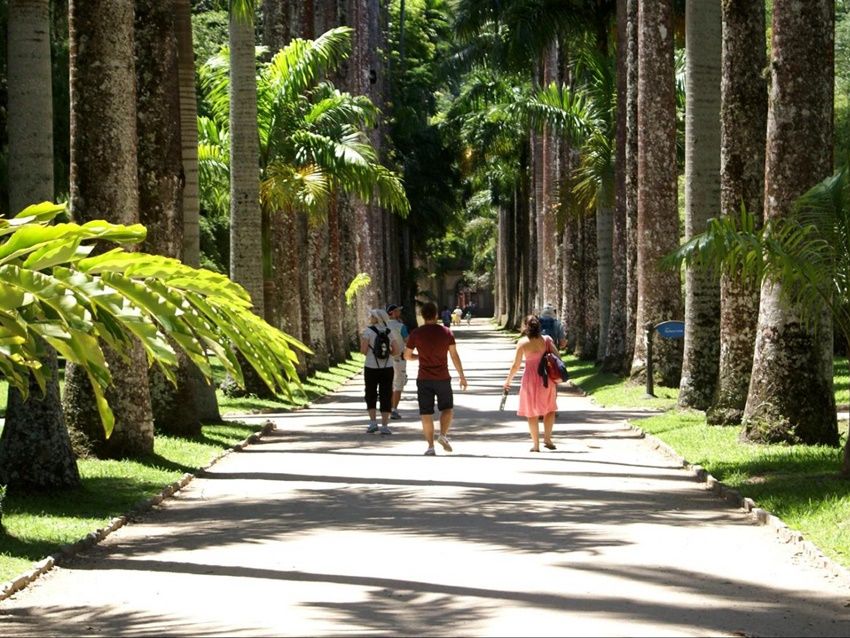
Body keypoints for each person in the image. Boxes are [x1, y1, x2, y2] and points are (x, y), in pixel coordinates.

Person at [405, 301, 468, 456]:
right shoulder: (446, 332)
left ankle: (430, 446)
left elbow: (406, 355)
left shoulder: (416, 334)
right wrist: (462, 376)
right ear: (436, 315)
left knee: (426, 413)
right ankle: (443, 435)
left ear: (423, 316)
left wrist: (420, 356)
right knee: (447, 409)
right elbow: (454, 356)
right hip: (442, 378)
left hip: (424, 378)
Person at [502, 315, 558, 452]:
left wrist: (508, 380)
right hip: (546, 379)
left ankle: (536, 445)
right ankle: (548, 438)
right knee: (550, 409)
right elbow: (558, 357)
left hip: (530, 380)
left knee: (531, 412)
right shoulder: (547, 340)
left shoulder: (522, 342)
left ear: (526, 326)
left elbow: (515, 365)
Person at [360, 308, 398, 435]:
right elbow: (396, 350)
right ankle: (385, 425)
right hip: (387, 368)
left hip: (371, 367)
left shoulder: (368, 332)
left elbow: (364, 351)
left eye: (371, 316)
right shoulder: (388, 332)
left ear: (376, 318)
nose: (370, 318)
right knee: (386, 394)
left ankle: (372, 423)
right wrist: (387, 354)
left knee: (370, 393)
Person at [386, 303, 409, 420]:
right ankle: (394, 409)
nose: (399, 312)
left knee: (389, 384)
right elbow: (408, 341)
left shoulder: (383, 326)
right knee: (398, 384)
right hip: (398, 358)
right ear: (393, 313)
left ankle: (387, 407)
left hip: (384, 360)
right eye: (398, 311)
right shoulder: (401, 326)